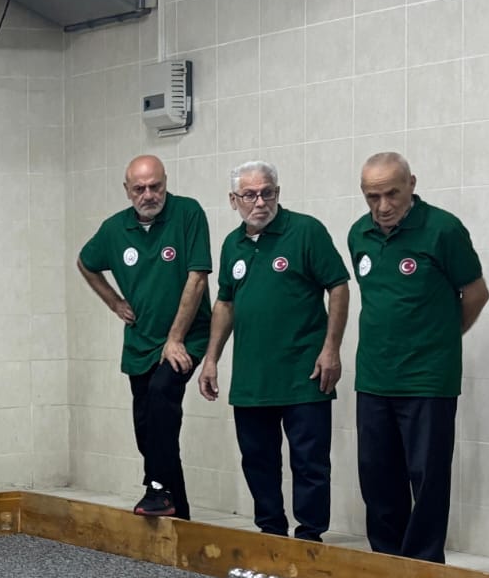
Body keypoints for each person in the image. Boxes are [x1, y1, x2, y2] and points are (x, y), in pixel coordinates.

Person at [347, 153, 489, 563]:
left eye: (392, 193)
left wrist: (440, 339)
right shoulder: (358, 234)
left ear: (412, 183)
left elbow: (476, 294)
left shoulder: (443, 229)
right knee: (376, 474)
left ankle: (424, 566)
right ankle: (386, 562)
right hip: (374, 377)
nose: (383, 206)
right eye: (373, 197)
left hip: (428, 379)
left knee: (427, 478)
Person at [198, 161, 350, 541]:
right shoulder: (232, 244)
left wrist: (331, 349)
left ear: (277, 193)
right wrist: (211, 359)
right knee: (258, 461)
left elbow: (338, 285)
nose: (260, 202)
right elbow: (225, 303)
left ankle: (310, 538)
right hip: (252, 380)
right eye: (250, 195)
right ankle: (271, 534)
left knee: (310, 463)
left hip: (304, 375)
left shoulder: (306, 231)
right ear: (233, 200)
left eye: (268, 193)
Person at [75, 154, 212, 517]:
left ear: (166, 183)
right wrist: (114, 302)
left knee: (162, 392)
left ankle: (156, 487)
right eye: (139, 188)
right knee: (148, 426)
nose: (148, 195)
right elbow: (85, 263)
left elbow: (197, 279)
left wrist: (175, 339)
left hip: (188, 336)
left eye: (155, 186)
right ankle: (177, 510)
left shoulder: (188, 213)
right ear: (127, 190)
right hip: (141, 341)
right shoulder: (114, 229)